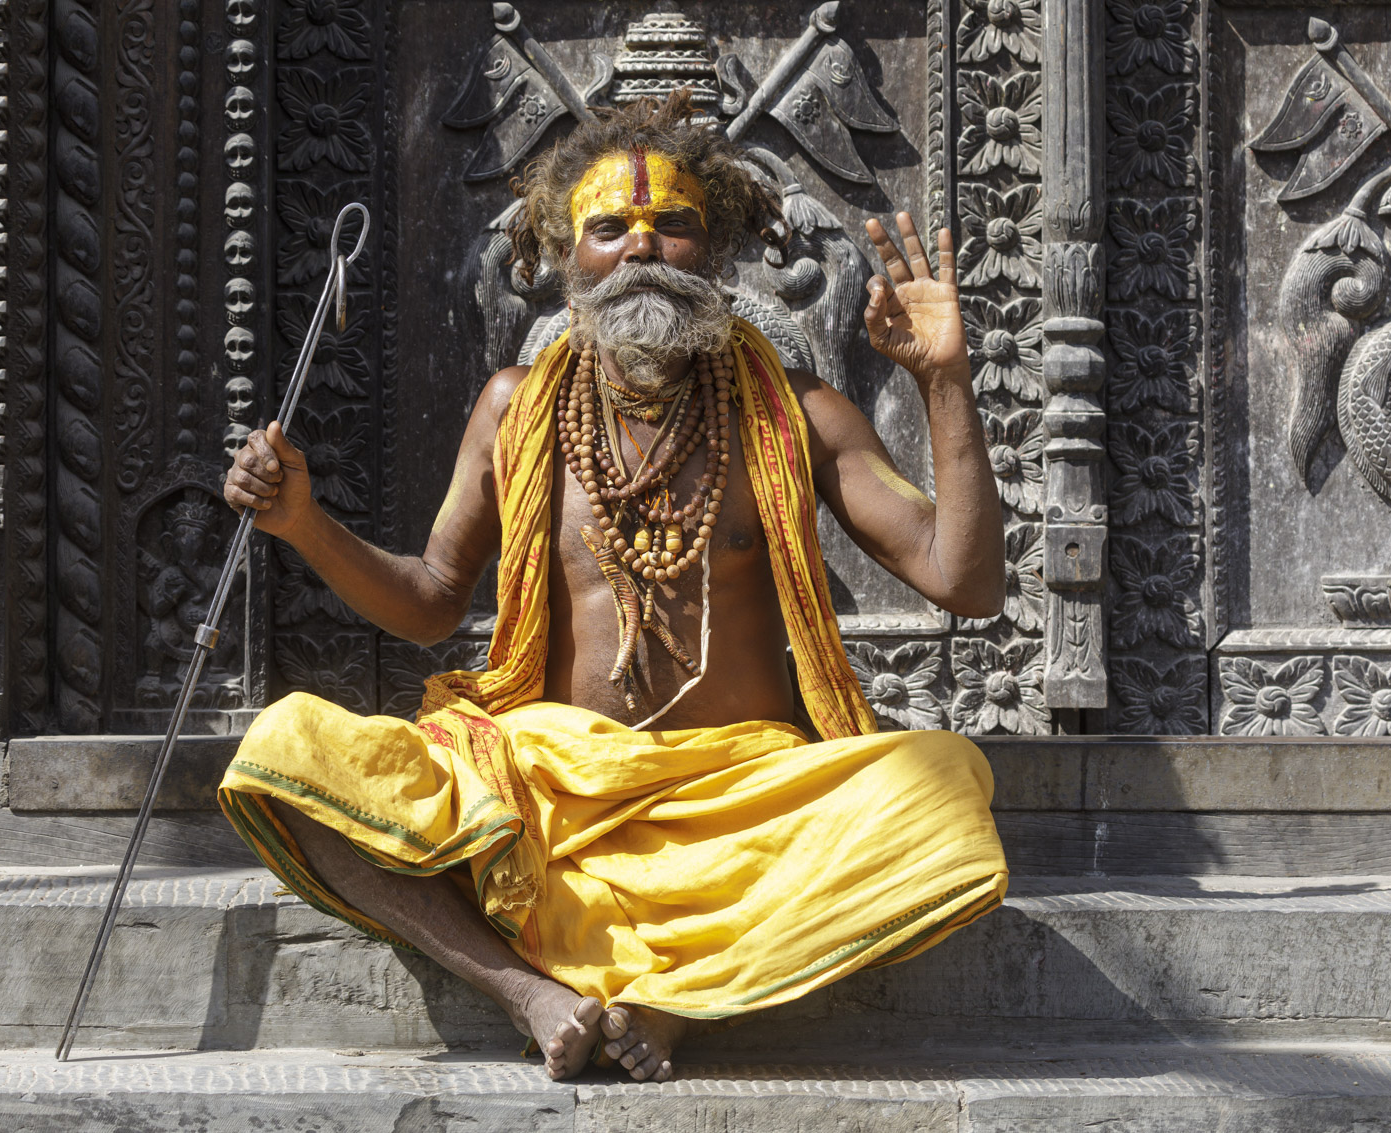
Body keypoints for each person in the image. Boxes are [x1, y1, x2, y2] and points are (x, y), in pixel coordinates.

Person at [219, 89, 1009, 1084]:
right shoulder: (514, 407)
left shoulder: (798, 410)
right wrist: (302, 523)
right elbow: (428, 599)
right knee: (283, 750)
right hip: (549, 791)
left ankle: (674, 996)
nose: (641, 247)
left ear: (713, 250)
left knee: (943, 785)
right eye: (610, 226)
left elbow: (963, 580)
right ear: (566, 259)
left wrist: (944, 380)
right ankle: (533, 993)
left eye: (672, 224)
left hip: (740, 802)